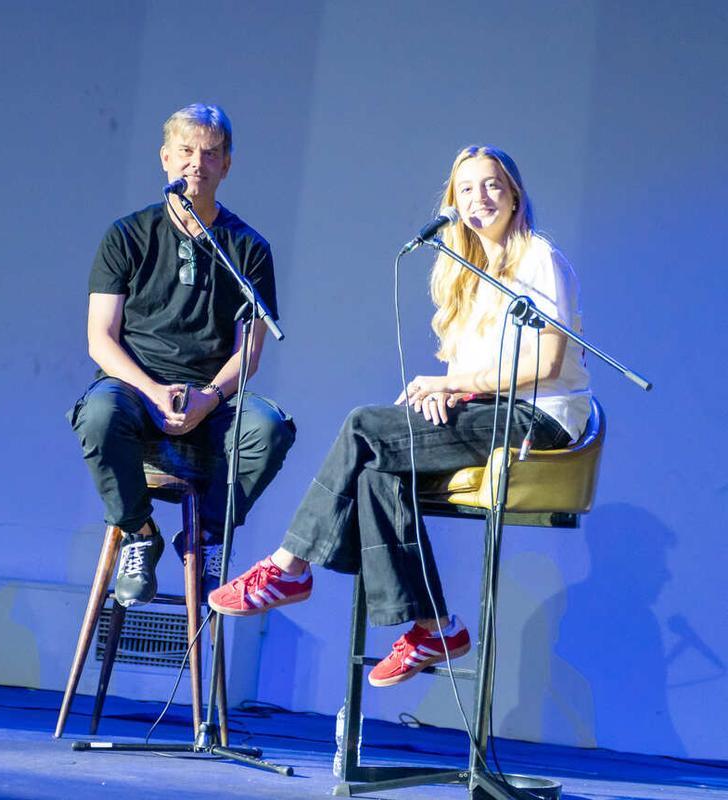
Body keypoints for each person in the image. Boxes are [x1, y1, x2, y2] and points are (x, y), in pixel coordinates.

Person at [210, 145, 592, 687]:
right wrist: (448, 393)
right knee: (374, 472)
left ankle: (289, 566)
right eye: (466, 189)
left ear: (514, 195)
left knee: (364, 425)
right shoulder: (467, 273)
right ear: (453, 203)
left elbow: (547, 361)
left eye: (491, 185)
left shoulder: (537, 259)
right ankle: (435, 626)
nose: (479, 198)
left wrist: (452, 384)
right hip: (488, 410)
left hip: (540, 418)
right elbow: (471, 370)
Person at [68, 103, 296, 607]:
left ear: (226, 166)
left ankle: (208, 537)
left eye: (211, 154)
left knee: (269, 428)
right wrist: (150, 390)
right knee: (98, 413)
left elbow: (250, 352)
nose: (198, 163)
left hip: (210, 396)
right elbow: (100, 338)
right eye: (187, 151)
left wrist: (209, 398)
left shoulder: (248, 247)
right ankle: (138, 531)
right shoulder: (127, 235)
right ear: (166, 159)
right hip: (136, 388)